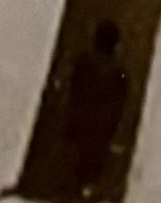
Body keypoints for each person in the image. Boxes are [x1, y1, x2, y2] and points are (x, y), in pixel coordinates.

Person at [64, 19, 132, 202]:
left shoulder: (82, 63)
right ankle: (87, 192)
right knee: (92, 166)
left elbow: (73, 93)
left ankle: (76, 192)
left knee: (76, 165)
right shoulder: (119, 72)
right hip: (101, 128)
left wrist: (70, 120)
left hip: (81, 123)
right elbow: (119, 105)